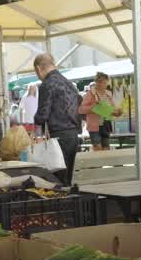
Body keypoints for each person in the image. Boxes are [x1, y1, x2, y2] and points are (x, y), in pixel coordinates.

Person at [31, 53, 83, 185]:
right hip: (74, 136)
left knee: (58, 180)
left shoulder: (47, 85)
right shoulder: (69, 84)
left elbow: (42, 116)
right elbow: (79, 107)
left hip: (58, 138)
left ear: (38, 69)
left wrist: (35, 119)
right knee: (69, 178)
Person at [78, 72, 122, 151]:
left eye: (106, 82)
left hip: (106, 124)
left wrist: (117, 112)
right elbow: (81, 109)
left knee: (106, 149)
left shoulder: (108, 94)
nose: (105, 85)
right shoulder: (90, 94)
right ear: (97, 82)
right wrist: (94, 107)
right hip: (94, 127)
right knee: (97, 149)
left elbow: (113, 108)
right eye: (103, 83)